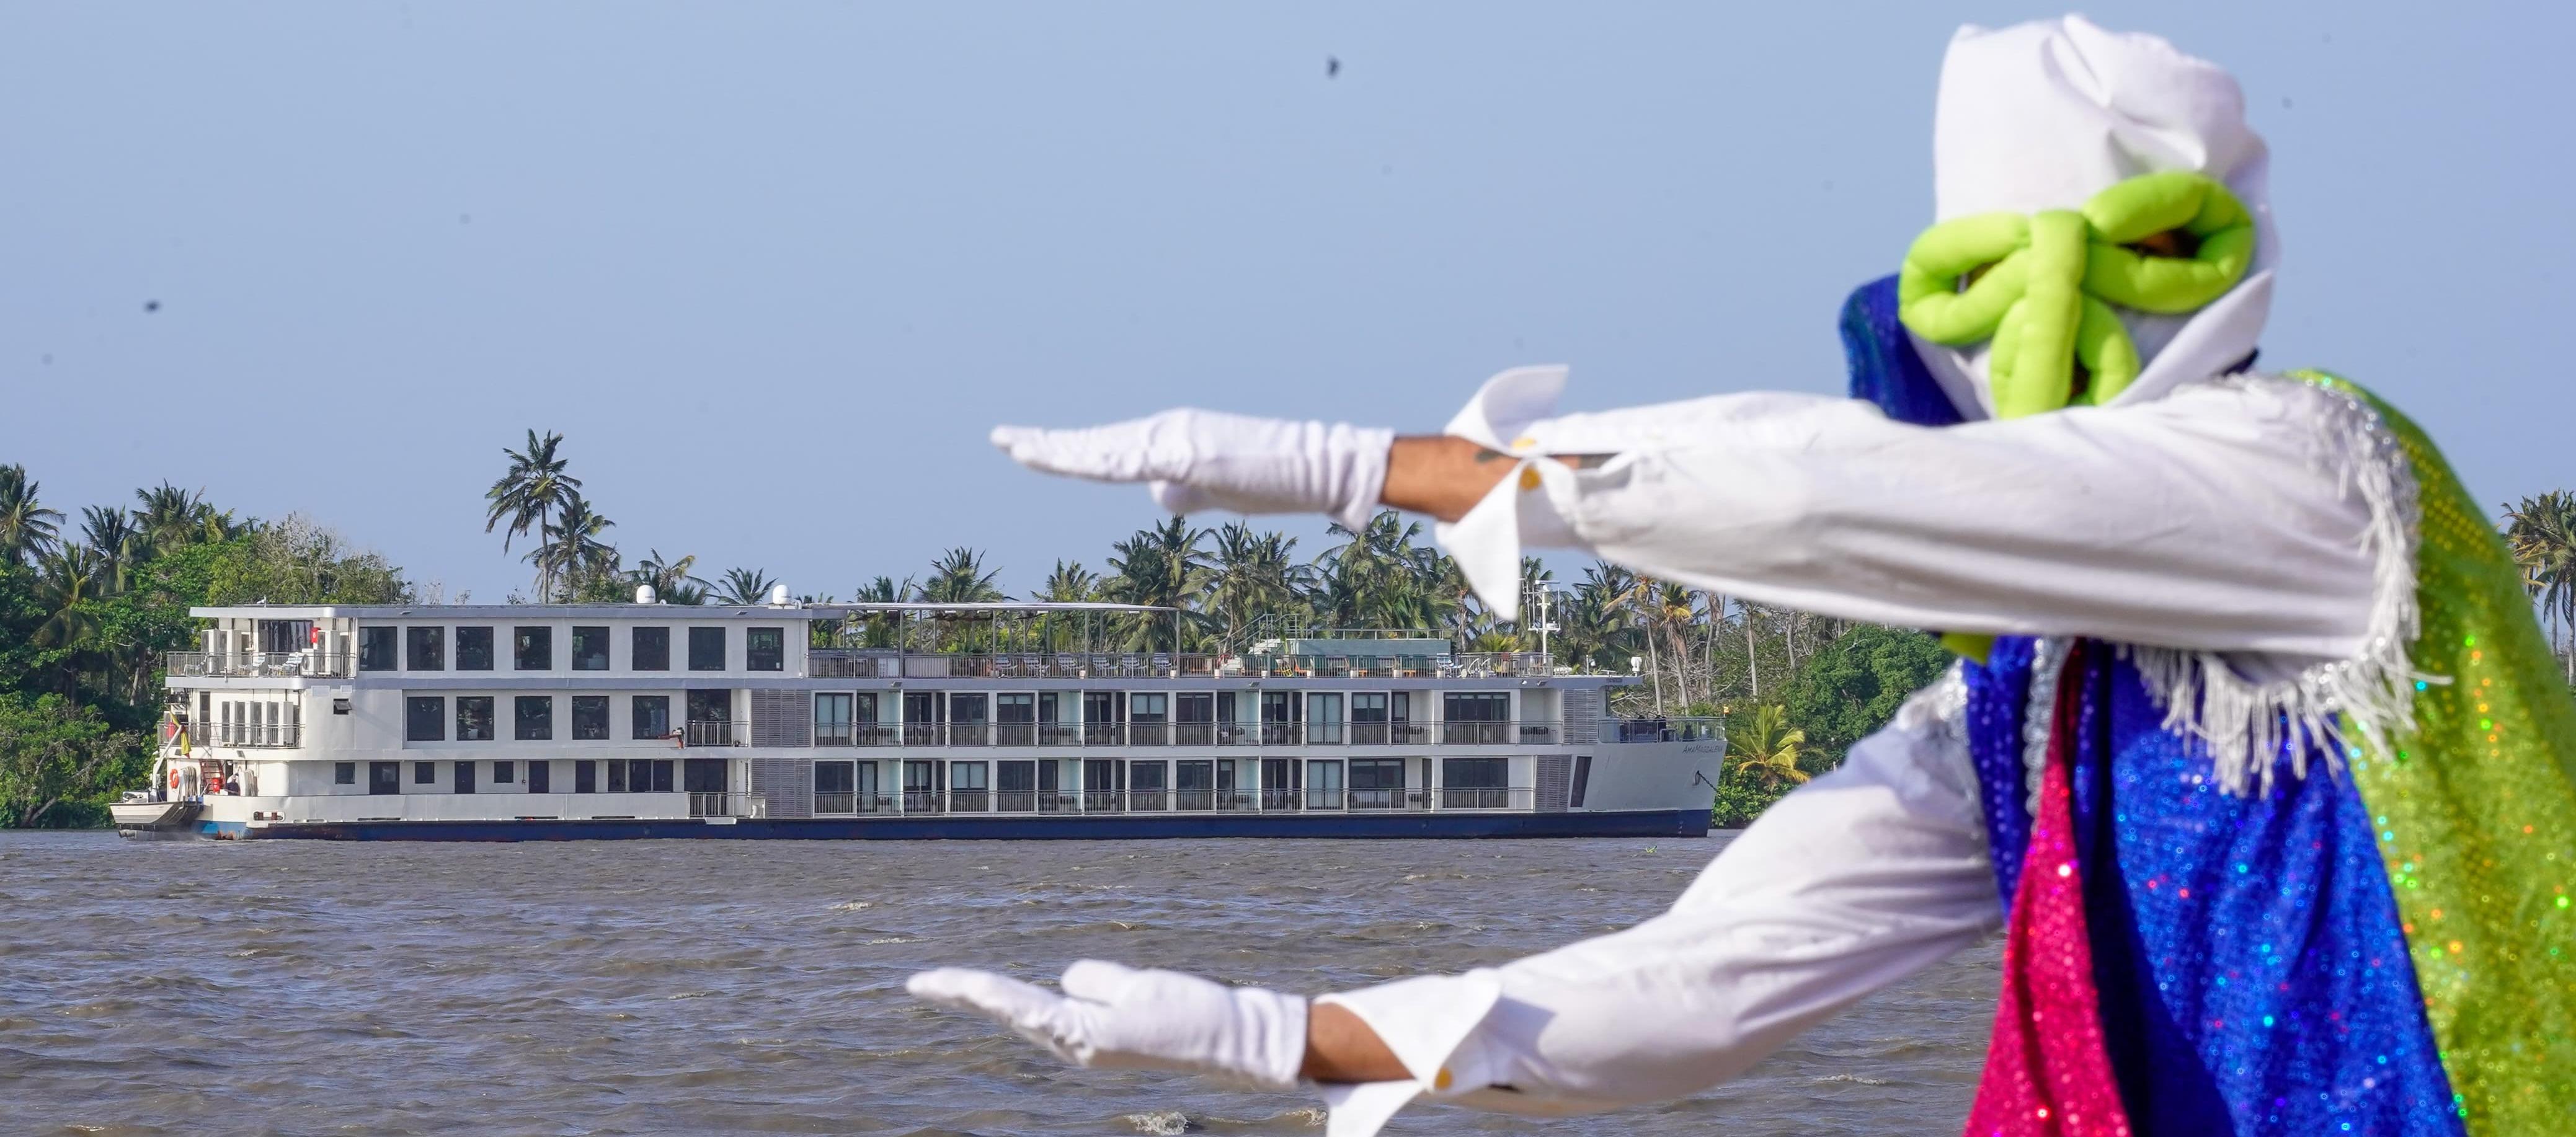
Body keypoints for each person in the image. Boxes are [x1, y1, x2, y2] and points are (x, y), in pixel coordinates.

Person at [909, 16, 2576, 1136]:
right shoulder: (2021, 706)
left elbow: (1839, 490)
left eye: (2124, 257)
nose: (2045, 324)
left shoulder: (2318, 486)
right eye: (1982, 280)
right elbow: (1720, 972)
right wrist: (1289, 1032)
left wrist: (1374, 465)